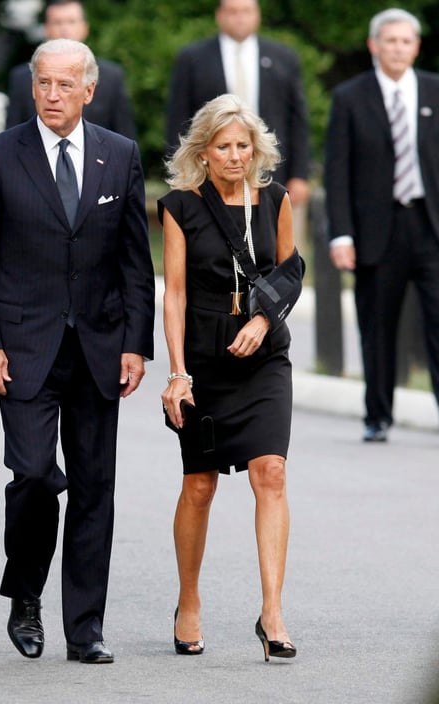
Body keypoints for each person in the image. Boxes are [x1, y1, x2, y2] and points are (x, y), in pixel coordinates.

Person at [0, 38, 156, 664]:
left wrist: (136, 346)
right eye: (43, 83)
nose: (51, 95)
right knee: (36, 475)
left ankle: (86, 629)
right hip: (22, 350)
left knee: (95, 487)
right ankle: (25, 595)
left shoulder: (119, 156)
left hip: (99, 348)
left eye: (65, 85)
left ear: (89, 91)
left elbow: (135, 262)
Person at [159, 94, 297, 661]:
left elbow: (291, 272)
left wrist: (263, 320)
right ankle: (188, 601)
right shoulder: (180, 207)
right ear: (204, 150)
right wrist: (177, 374)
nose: (235, 155)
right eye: (224, 146)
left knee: (271, 472)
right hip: (205, 359)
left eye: (244, 145)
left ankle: (272, 612)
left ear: (256, 148)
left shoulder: (277, 200)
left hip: (263, 356)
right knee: (200, 485)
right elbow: (175, 295)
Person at [324, 8, 439, 446]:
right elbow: (337, 172)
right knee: (378, 326)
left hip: (432, 226)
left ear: (416, 47)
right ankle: (378, 416)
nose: (398, 48)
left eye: (406, 41)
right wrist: (341, 233)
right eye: (390, 41)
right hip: (377, 229)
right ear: (375, 45)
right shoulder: (350, 97)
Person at [164, 0, 310, 211]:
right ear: (219, 15)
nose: (240, 17)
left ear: (257, 14)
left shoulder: (283, 58)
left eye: (246, 11)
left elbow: (297, 120)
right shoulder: (193, 59)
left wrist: (300, 174)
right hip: (209, 178)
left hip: (274, 173)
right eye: (232, 11)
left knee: (278, 241)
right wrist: (184, 172)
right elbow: (177, 119)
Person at [5, 0, 137, 140]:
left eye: (71, 22)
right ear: (46, 29)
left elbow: (124, 134)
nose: (64, 29)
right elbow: (12, 135)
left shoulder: (111, 76)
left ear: (85, 28)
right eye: (57, 22)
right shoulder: (23, 77)